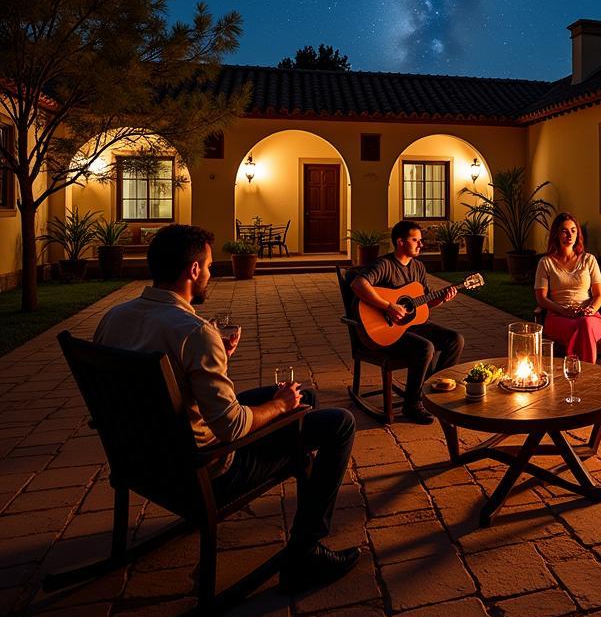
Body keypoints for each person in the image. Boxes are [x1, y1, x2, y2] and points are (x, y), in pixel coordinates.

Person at [93, 224, 359, 595]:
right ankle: (306, 550)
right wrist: (278, 406)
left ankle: (297, 419)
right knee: (339, 424)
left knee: (306, 397)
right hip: (208, 469)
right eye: (208, 265)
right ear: (193, 271)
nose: (212, 272)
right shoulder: (193, 330)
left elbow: (174, 390)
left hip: (143, 460)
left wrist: (218, 361)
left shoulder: (113, 318)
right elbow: (231, 428)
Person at [349, 219, 464, 425]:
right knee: (425, 348)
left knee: (455, 339)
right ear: (400, 242)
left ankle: (432, 392)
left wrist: (441, 298)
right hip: (384, 331)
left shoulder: (418, 267)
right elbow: (358, 283)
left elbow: (423, 305)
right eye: (415, 240)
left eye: (420, 241)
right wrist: (388, 306)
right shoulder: (384, 265)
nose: (421, 244)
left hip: (411, 326)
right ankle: (411, 405)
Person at [534, 212, 601, 363]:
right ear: (556, 234)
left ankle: (576, 371)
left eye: (573, 230)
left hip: (589, 316)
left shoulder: (589, 260)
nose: (569, 235)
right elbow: (541, 298)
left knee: (585, 323)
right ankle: (586, 372)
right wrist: (563, 311)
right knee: (582, 327)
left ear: (578, 234)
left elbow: (599, 295)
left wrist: (590, 310)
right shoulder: (546, 262)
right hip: (558, 317)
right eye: (564, 231)